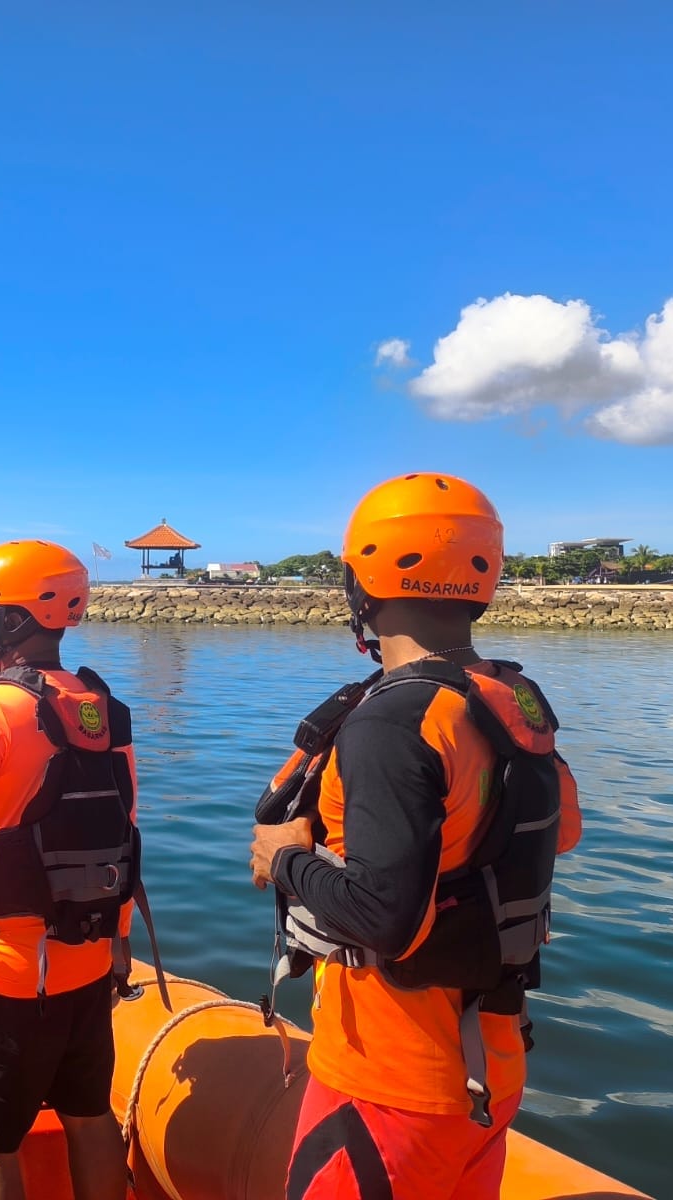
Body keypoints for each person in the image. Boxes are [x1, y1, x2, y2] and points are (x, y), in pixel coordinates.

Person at [249, 472, 583, 1200]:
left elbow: (384, 918)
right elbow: (563, 832)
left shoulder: (393, 721)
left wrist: (288, 858)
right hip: (489, 1068)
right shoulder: (510, 698)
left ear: (361, 582)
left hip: (389, 1085)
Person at [0, 539, 141, 1200]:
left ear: (14, 620)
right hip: (87, 966)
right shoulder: (103, 708)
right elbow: (126, 831)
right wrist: (117, 938)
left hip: (2, 976)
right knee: (90, 1119)